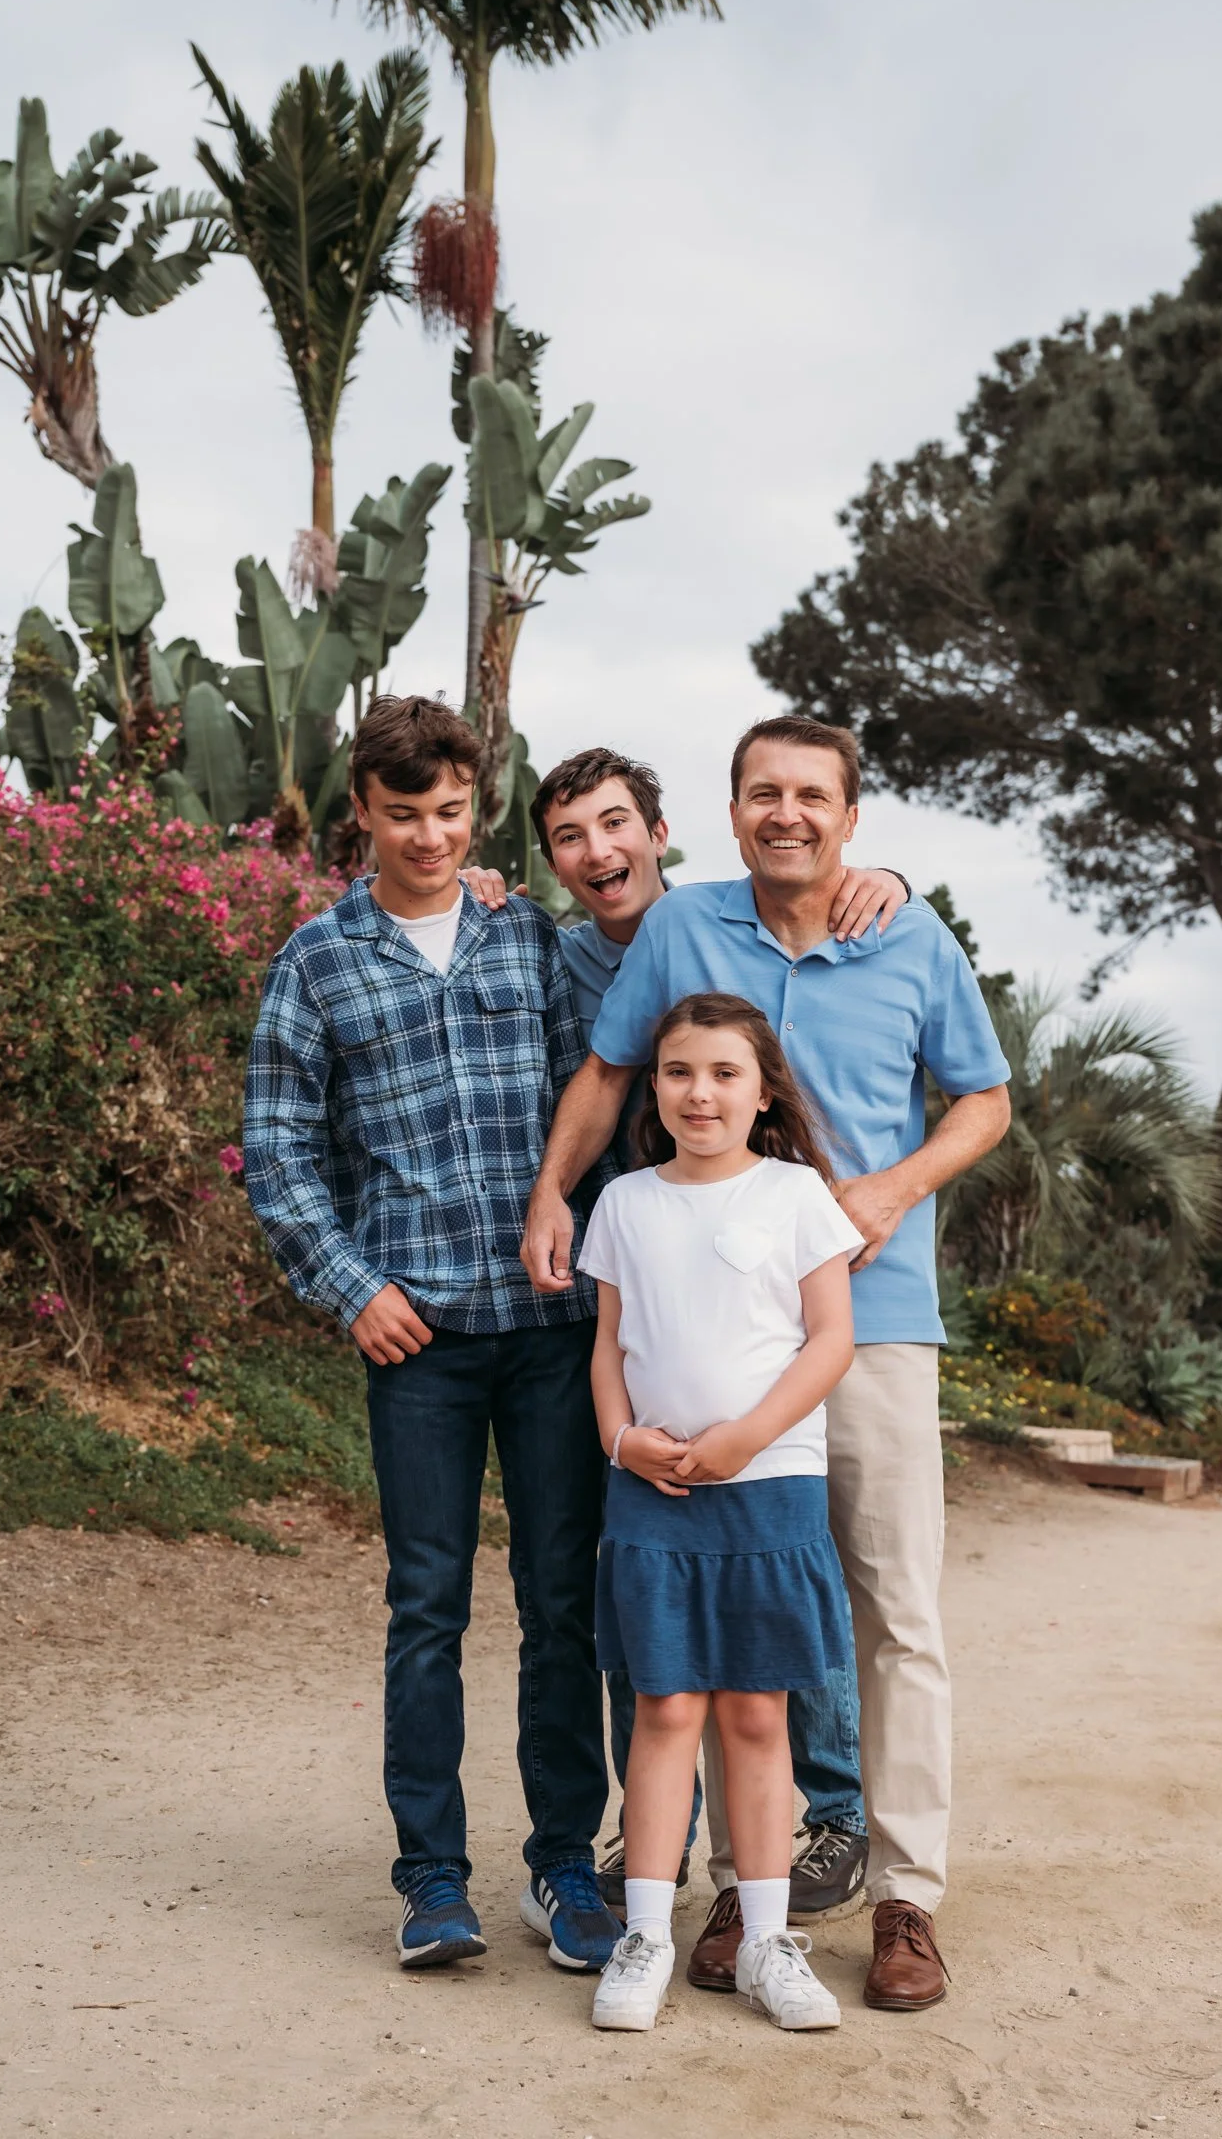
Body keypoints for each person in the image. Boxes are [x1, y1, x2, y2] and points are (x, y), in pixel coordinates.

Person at [522, 715, 1012, 2012]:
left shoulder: (909, 935)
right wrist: (551, 1195)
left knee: (892, 1612)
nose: (785, 814)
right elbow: (609, 1066)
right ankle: (742, 1895)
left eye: (810, 796)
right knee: (703, 1607)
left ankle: (906, 1898)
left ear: (851, 816)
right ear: (733, 813)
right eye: (762, 794)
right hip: (704, 1335)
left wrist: (893, 1189)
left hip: (878, 1316)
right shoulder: (686, 927)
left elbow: (984, 1100)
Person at [464, 747, 910, 1920]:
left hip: (760, 1279)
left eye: (618, 826)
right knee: (653, 1568)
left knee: (778, 1560)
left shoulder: (710, 924)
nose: (599, 852)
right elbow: (601, 1075)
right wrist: (555, 1192)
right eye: (570, 837)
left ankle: (830, 1817)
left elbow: (809, 887)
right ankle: (664, 1837)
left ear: (664, 832)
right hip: (626, 1273)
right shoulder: (548, 947)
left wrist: (887, 876)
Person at [244, 697, 622, 1980]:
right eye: (404, 815)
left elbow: (601, 1093)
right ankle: (432, 1880)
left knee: (564, 1604)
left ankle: (567, 1868)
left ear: (480, 807)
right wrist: (351, 1286)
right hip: (420, 1343)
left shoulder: (531, 941)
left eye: (452, 813)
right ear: (363, 809)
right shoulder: (319, 960)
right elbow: (282, 1150)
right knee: (427, 1608)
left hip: (554, 1330)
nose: (430, 836)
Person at [580, 992, 865, 2033]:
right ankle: (647, 1936)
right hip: (651, 1495)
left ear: (761, 1090)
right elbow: (607, 1349)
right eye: (679, 1073)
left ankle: (764, 1940)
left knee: (755, 1714)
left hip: (770, 1488)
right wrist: (620, 1440)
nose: (700, 1092)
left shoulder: (796, 1194)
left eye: (724, 1073)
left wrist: (747, 1435)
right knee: (664, 1711)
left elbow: (829, 1339)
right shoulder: (623, 1204)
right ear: (653, 1090)